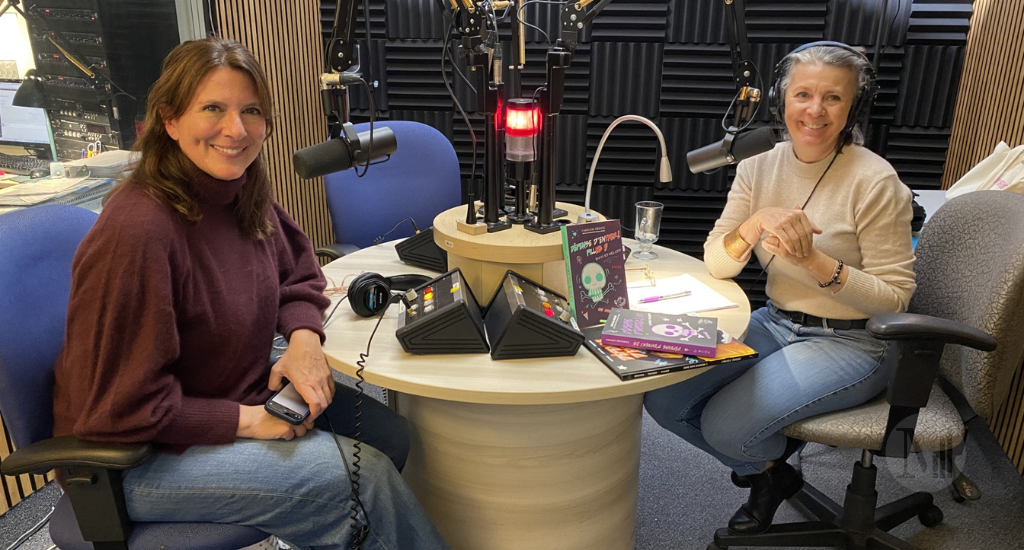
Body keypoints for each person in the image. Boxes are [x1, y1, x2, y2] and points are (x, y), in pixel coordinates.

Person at [52, 36, 450, 550]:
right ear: (169, 121)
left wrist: (305, 341)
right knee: (363, 479)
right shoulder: (138, 231)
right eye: (212, 108)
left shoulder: (239, 191)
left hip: (229, 395)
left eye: (251, 110)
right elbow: (117, 411)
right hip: (137, 457)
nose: (236, 130)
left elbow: (298, 273)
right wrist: (249, 422)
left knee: (391, 437)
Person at [644, 42, 916, 535]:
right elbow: (717, 262)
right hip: (775, 321)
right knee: (662, 400)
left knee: (725, 426)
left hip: (853, 341)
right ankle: (772, 473)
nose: (814, 111)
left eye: (833, 98)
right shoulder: (758, 164)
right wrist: (752, 227)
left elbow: (896, 299)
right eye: (803, 94)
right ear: (781, 100)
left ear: (854, 106)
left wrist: (814, 261)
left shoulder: (876, 181)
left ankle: (760, 455)